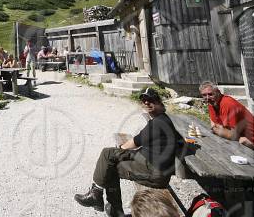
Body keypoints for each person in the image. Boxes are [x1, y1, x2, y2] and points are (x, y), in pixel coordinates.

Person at [74, 88, 183, 217]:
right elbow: (177, 139)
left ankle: (101, 199)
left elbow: (136, 141)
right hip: (148, 161)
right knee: (109, 159)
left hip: (154, 172)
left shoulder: (158, 123)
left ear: (158, 102)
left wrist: (120, 149)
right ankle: (100, 198)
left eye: (150, 100)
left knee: (109, 159)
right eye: (144, 100)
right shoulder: (162, 119)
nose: (146, 103)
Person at [199, 81, 254, 159]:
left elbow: (231, 135)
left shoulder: (227, 104)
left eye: (210, 94)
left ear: (218, 92)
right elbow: (214, 126)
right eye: (204, 95)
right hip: (248, 144)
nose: (207, 98)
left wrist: (220, 130)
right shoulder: (212, 103)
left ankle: (252, 146)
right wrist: (219, 130)